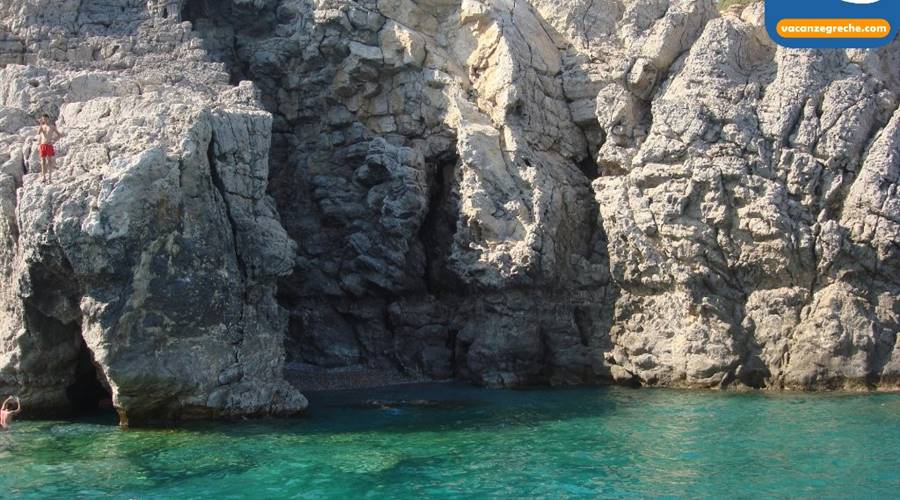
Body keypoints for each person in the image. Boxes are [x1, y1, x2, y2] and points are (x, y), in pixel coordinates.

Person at [36, 114, 64, 183]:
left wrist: (53, 141)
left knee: (49, 161)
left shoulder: (52, 127)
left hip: (49, 145)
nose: (44, 120)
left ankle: (50, 178)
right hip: (42, 145)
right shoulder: (42, 127)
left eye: (45, 119)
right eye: (43, 119)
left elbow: (59, 135)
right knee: (43, 162)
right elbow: (38, 133)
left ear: (48, 119)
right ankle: (44, 177)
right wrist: (40, 124)